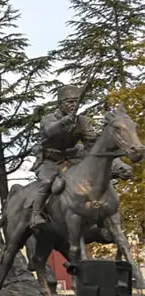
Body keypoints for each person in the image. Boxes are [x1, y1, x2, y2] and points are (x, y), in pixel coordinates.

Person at [29, 84, 97, 228]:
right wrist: (62, 123)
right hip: (50, 161)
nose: (73, 105)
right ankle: (36, 213)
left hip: (72, 160)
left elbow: (90, 144)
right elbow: (49, 132)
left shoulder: (82, 121)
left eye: (76, 102)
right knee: (47, 181)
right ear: (60, 104)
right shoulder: (48, 119)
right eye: (69, 102)